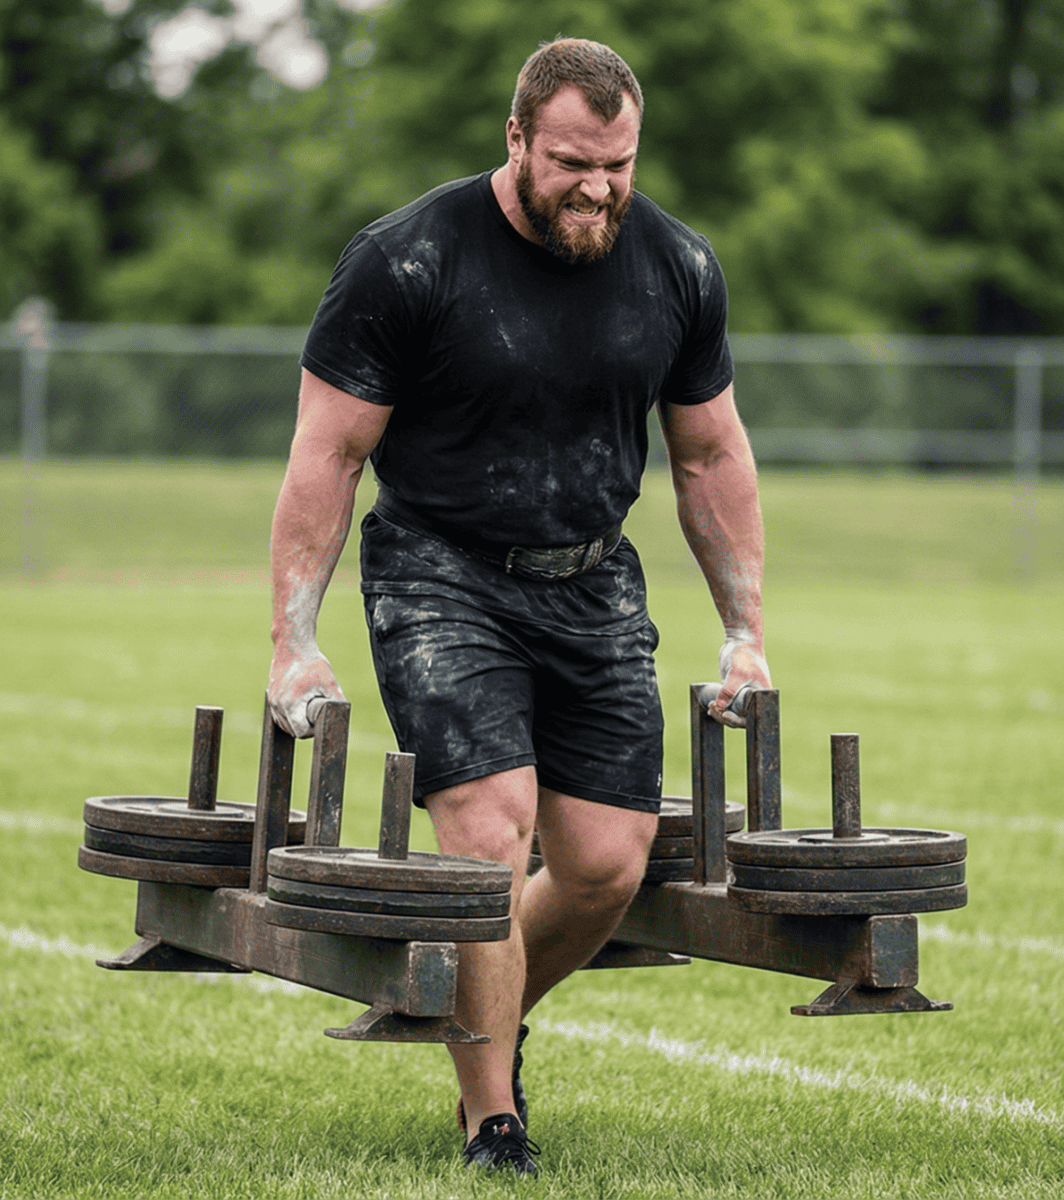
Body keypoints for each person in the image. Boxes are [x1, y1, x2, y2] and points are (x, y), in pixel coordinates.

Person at [265, 37, 769, 1175]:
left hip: (591, 579)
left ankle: (475, 1002)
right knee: (491, 833)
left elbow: (708, 457)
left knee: (603, 865)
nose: (596, 186)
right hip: (441, 571)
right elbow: (328, 457)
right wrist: (293, 642)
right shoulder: (404, 261)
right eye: (571, 162)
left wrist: (746, 634)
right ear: (516, 139)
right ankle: (491, 1116)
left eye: (618, 164)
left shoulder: (678, 267)